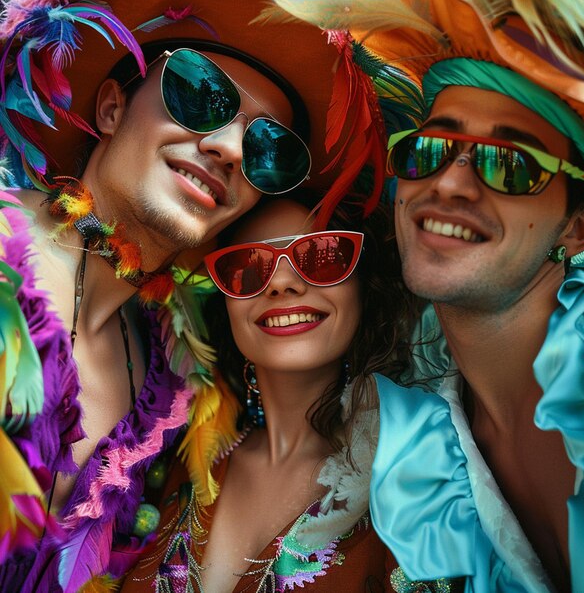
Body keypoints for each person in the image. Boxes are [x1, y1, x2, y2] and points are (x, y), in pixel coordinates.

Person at [0, 0, 386, 589]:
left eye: (268, 150)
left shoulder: (174, 385)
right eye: (203, 96)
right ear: (111, 106)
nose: (231, 148)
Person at [267, 0, 584, 591]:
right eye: (429, 151)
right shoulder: (420, 446)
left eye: (509, 165)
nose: (452, 183)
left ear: (579, 227)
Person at [119, 194, 417, 592]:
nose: (280, 283)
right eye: (247, 267)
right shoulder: (168, 461)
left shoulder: (418, 483)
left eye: (321, 256)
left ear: (364, 285)